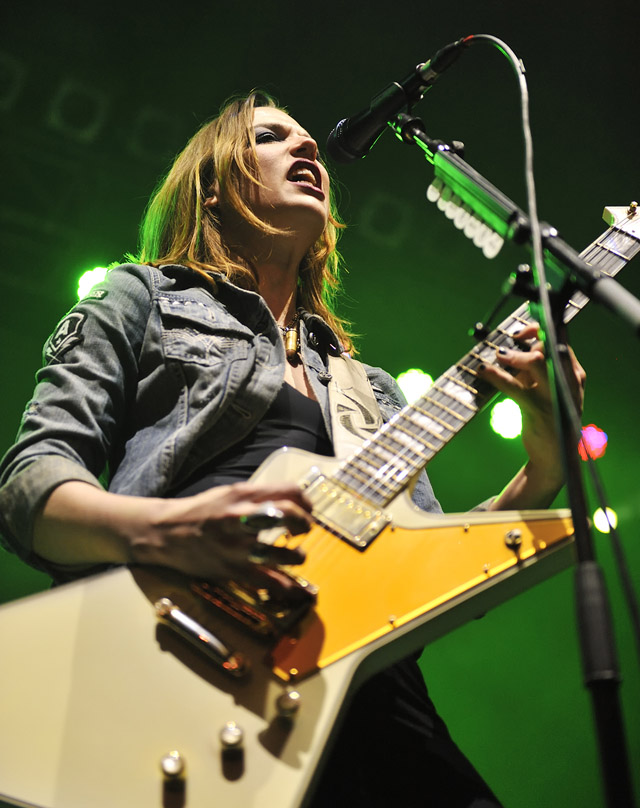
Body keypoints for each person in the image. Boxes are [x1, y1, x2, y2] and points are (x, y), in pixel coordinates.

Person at [0, 92, 584, 806]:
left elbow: (431, 566)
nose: (307, 148)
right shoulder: (141, 298)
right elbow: (31, 483)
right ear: (212, 188)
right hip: (175, 649)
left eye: (308, 141)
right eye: (271, 137)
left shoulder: (369, 385)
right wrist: (169, 530)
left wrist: (546, 460)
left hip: (368, 691)